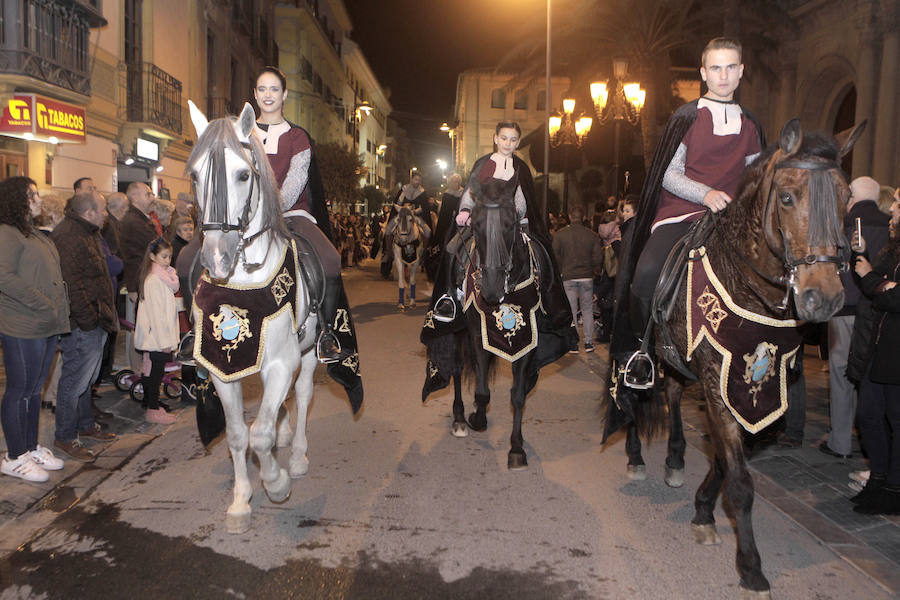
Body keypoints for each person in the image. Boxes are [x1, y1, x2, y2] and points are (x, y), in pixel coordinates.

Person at [613, 37, 764, 387]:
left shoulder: (751, 124)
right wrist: (705, 193)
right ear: (703, 73)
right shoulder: (687, 116)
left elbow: (755, 177)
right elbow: (668, 173)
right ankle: (643, 351)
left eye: (730, 67)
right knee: (646, 274)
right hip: (681, 214)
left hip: (732, 221)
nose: (723, 75)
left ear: (741, 72)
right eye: (715, 68)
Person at [251, 66, 352, 365]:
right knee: (194, 257)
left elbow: (295, 180)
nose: (268, 95)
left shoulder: (297, 136)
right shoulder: (242, 132)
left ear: (284, 94)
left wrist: (272, 209)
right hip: (245, 218)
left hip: (291, 213)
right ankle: (200, 334)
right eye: (262, 89)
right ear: (255, 94)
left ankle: (326, 332)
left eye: (274, 89)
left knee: (331, 260)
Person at [0, 177, 70, 482]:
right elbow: (3, 276)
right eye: (33, 195)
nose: (38, 200)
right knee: (19, 390)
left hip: (44, 324)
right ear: (17, 200)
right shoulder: (7, 233)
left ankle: (29, 448)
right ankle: (14, 456)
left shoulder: (33, 234)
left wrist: (55, 311)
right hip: (22, 323)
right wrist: (41, 303)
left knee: (33, 391)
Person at [819, 176, 890, 458]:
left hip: (846, 309)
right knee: (872, 376)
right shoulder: (890, 226)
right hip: (879, 311)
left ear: (850, 197)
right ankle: (872, 442)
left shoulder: (842, 225)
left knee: (841, 373)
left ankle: (840, 442)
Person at [51, 190, 118, 462]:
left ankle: (86, 424)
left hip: (95, 319)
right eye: (103, 210)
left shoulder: (88, 231)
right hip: (83, 324)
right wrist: (90, 319)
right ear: (89, 212)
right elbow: (72, 285)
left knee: (86, 380)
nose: (106, 214)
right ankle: (65, 437)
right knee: (74, 381)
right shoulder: (69, 236)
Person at [846, 187, 900, 514]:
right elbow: (879, 283)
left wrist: (877, 283)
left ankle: (893, 489)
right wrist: (861, 257)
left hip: (895, 350)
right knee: (867, 413)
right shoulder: (893, 248)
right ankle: (878, 479)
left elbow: (890, 295)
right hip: (879, 345)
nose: (892, 209)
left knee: (896, 418)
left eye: (898, 203)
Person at [135, 237, 180, 425]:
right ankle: (153, 409)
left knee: (152, 370)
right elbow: (157, 314)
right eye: (163, 256)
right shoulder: (154, 280)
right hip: (157, 337)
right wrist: (165, 342)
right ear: (152, 256)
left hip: (159, 335)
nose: (167, 260)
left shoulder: (163, 277)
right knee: (154, 372)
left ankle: (152, 403)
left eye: (169, 256)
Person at [553, 205, 605, 352]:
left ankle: (573, 342)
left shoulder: (560, 235)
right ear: (583, 218)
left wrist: (562, 269)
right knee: (587, 309)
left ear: (570, 216)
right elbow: (597, 257)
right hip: (586, 276)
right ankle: (588, 342)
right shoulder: (591, 235)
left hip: (568, 276)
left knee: (571, 309)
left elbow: (555, 255)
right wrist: (592, 269)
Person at [119, 182, 158, 371]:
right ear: (134, 198)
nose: (152, 197)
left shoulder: (142, 219)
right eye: (148, 194)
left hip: (145, 280)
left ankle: (144, 369)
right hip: (141, 281)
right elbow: (139, 255)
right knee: (141, 328)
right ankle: (140, 371)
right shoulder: (134, 222)